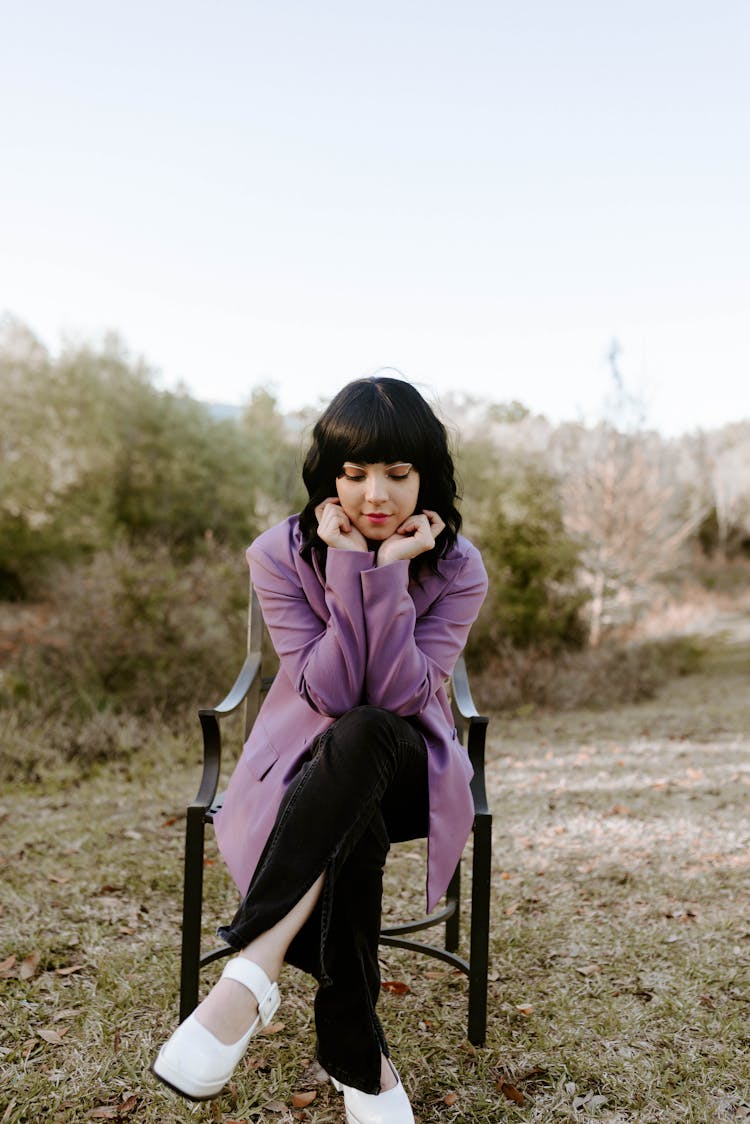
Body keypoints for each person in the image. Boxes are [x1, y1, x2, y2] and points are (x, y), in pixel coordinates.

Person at [151, 376, 488, 1123]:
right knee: (349, 808)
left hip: (409, 771)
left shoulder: (459, 568)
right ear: (328, 477)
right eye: (355, 473)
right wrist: (344, 564)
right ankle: (357, 1053)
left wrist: (388, 569)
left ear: (427, 475)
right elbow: (327, 694)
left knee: (370, 735)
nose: (377, 495)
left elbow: (399, 697)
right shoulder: (280, 555)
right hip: (309, 772)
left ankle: (252, 969)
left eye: (398, 475)